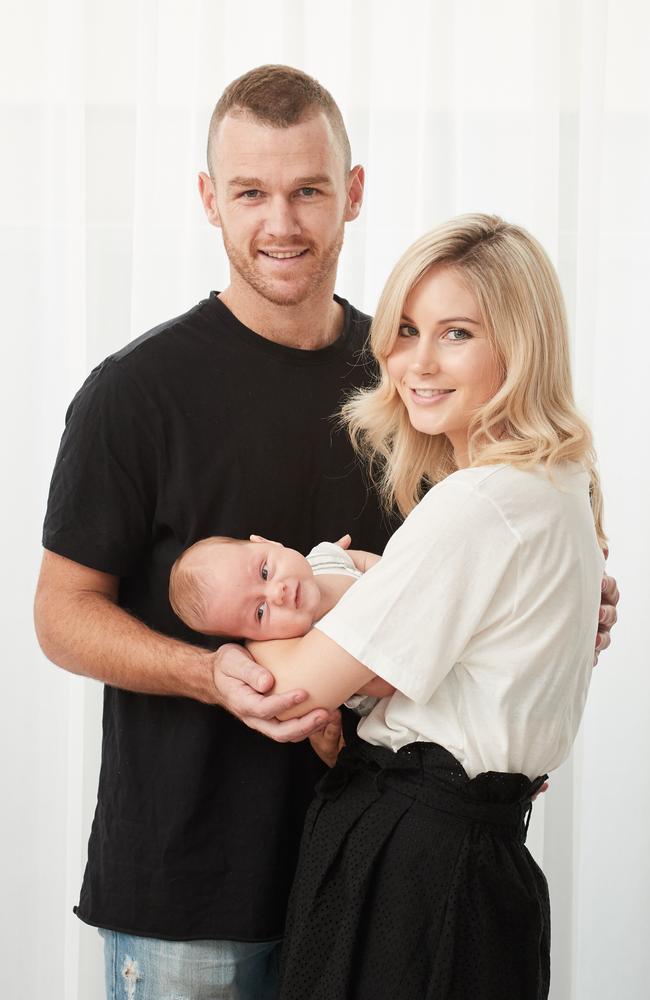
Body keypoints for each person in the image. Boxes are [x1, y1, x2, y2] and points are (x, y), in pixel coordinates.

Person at [33, 65, 618, 1000]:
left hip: (362, 868)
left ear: (351, 194)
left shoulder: (410, 384)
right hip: (188, 884)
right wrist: (207, 674)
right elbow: (61, 616)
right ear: (207, 201)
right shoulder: (134, 393)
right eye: (251, 193)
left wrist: (550, 604)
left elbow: (467, 577)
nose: (282, 223)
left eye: (308, 190)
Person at [244, 214, 607, 999]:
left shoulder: (480, 504)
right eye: (406, 330)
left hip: (414, 869)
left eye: (456, 334)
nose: (416, 362)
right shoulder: (558, 486)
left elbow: (296, 688)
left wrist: (250, 613)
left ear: (520, 345)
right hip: (469, 861)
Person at [168, 534, 381, 639]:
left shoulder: (325, 556)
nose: (276, 593)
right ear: (258, 640)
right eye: (260, 612)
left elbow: (367, 562)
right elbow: (381, 682)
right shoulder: (317, 643)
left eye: (265, 572)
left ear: (268, 542)